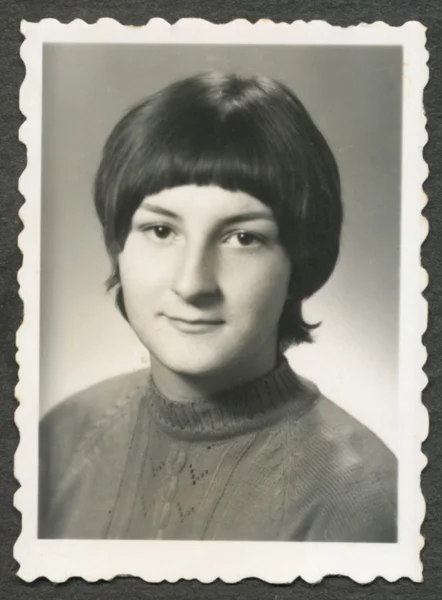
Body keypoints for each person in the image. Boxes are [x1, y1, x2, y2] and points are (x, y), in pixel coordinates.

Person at [39, 71, 397, 541]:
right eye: (161, 231)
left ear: (301, 260)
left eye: (243, 238)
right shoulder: (64, 434)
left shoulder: (355, 501)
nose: (192, 283)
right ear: (118, 245)